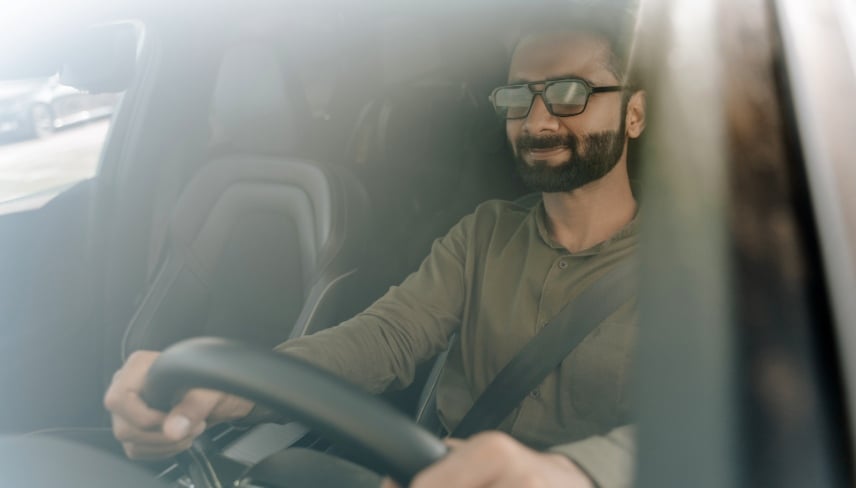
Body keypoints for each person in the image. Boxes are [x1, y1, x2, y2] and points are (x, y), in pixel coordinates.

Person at [104, 9, 646, 488]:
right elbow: (384, 338)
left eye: (570, 93)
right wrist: (229, 390)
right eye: (517, 96)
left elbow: (694, 419)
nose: (538, 120)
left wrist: (575, 472)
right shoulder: (484, 233)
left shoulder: (683, 268)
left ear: (634, 113)